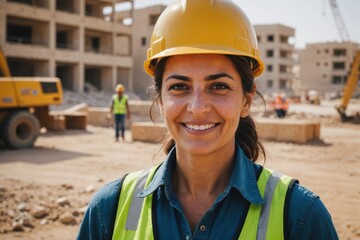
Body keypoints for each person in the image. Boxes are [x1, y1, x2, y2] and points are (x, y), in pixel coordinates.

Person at [78, 0, 338, 239]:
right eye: (179, 87)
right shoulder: (108, 211)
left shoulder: (300, 217)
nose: (198, 108)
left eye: (219, 87)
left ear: (246, 101)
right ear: (159, 100)